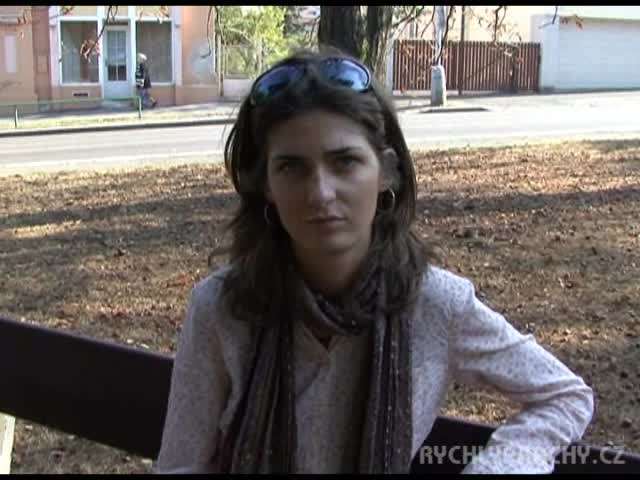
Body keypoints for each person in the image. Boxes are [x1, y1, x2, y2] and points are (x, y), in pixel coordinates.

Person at [154, 49, 595, 474]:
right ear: (266, 184)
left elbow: (564, 396)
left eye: (344, 162)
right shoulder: (221, 308)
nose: (321, 193)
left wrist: (497, 467)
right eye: (292, 167)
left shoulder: (435, 304)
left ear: (385, 172)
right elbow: (181, 464)